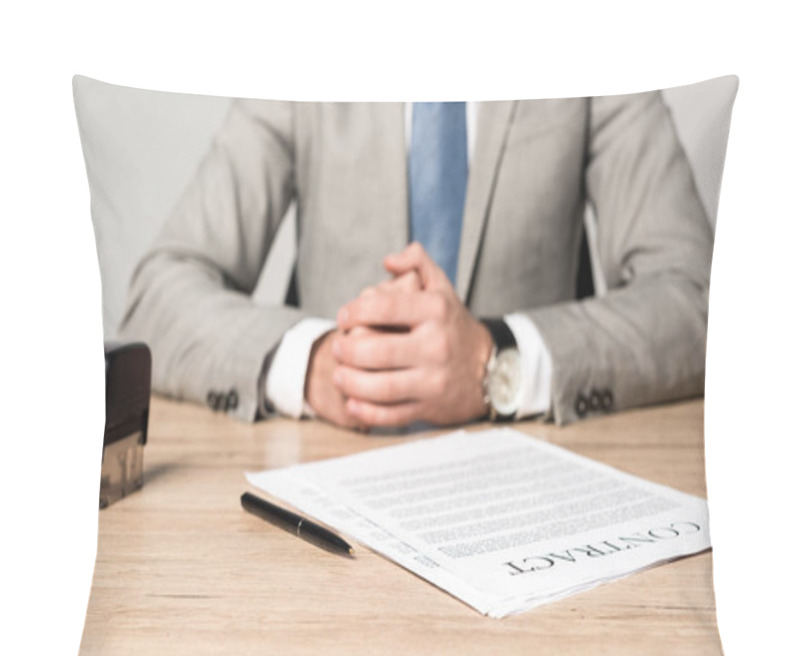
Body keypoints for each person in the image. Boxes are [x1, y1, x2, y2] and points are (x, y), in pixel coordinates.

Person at [119, 95, 713, 430]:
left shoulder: (598, 34)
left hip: (533, 486)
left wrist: (496, 362)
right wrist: (318, 364)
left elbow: (697, 297)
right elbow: (158, 293)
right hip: (326, 488)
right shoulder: (300, 35)